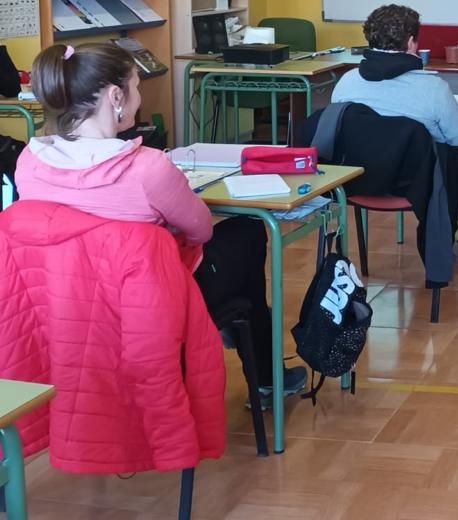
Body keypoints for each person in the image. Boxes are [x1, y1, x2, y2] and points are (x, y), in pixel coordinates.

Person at [13, 43, 306, 402]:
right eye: (136, 87)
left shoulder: (29, 160)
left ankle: (257, 362)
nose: (139, 98)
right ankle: (264, 374)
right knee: (246, 233)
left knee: (237, 258)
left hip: (67, 302)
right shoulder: (147, 167)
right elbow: (201, 230)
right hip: (146, 302)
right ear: (116, 95)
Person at [331, 4, 458, 146]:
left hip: (358, 166)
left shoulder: (347, 81)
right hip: (417, 167)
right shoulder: (434, 88)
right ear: (410, 43)